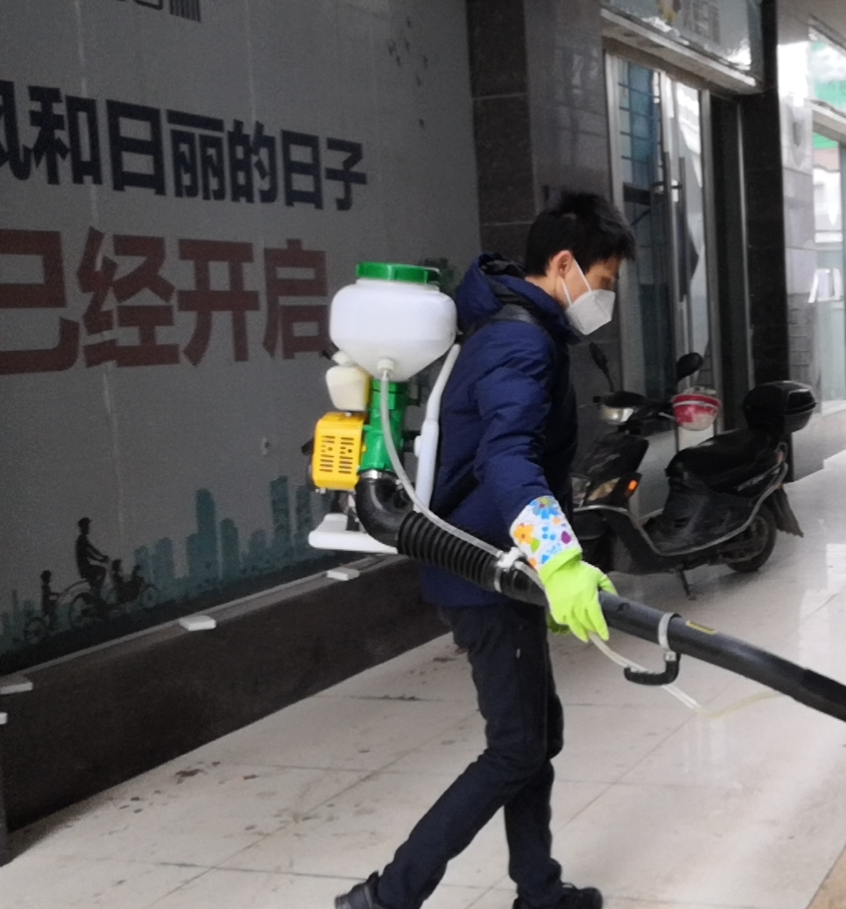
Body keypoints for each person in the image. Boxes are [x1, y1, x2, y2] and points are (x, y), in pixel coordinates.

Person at [336, 190, 636, 909]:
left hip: (498, 567)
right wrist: (558, 558)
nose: (604, 298)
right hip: (484, 571)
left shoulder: (511, 327)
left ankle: (539, 891)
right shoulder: (518, 342)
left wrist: (546, 563)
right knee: (516, 747)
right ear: (563, 264)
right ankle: (385, 897)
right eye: (602, 281)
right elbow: (508, 458)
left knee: (535, 737)